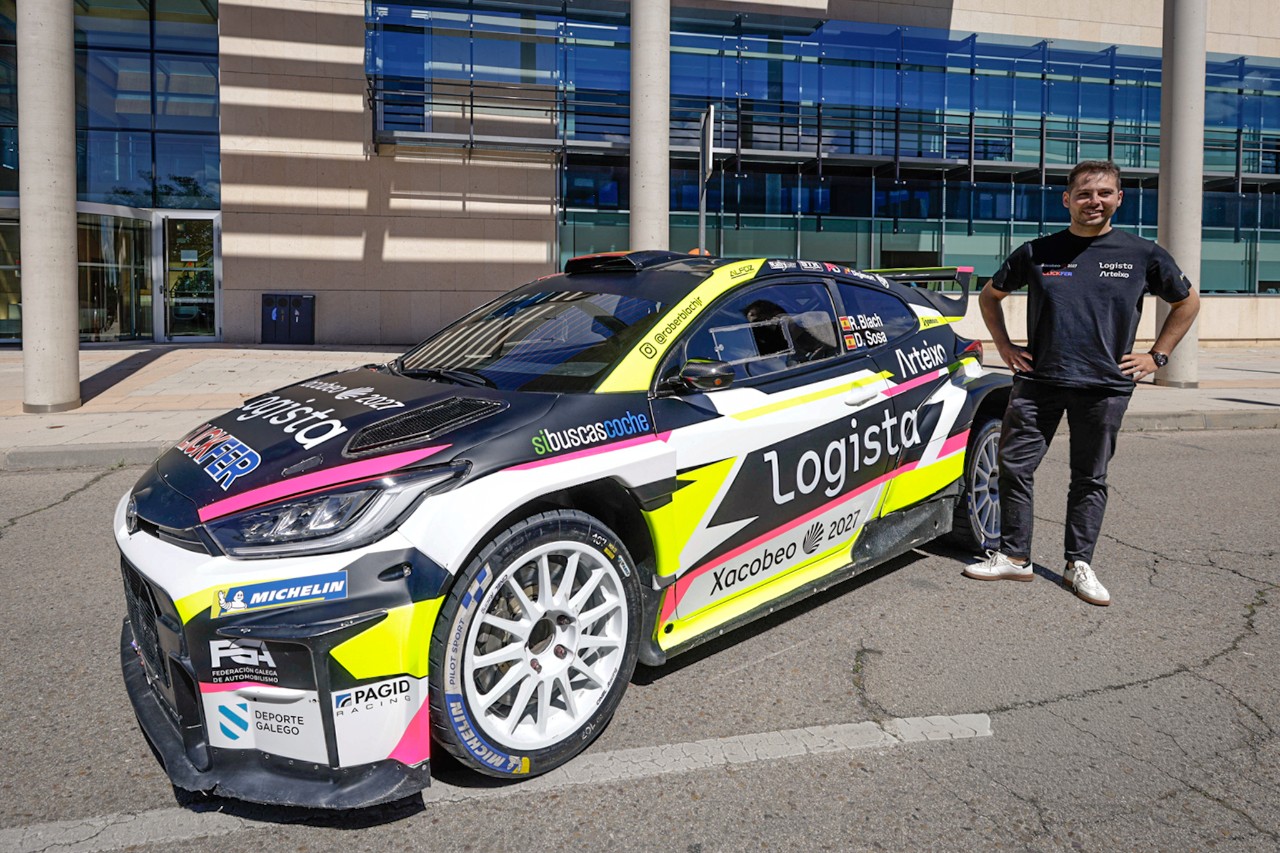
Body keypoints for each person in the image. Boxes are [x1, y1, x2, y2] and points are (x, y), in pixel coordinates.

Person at [963, 160, 1201, 606]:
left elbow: (1187, 303)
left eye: (1105, 193)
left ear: (1119, 199)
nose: (1095, 201)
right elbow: (990, 296)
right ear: (1067, 199)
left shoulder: (1143, 254)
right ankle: (1014, 557)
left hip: (1105, 385)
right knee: (1014, 467)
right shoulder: (1037, 252)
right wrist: (1006, 346)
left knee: (1089, 476)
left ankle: (1078, 564)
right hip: (1039, 381)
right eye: (1085, 194)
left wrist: (1156, 356)